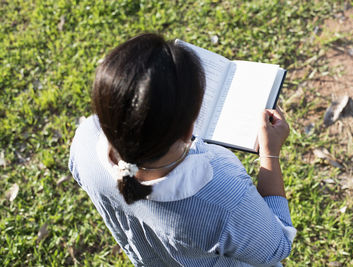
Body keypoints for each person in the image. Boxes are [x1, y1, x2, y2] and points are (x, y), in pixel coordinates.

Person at [69, 33, 296, 266]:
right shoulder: (223, 197)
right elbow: (278, 246)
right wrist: (270, 153)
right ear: (190, 130)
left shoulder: (84, 142)